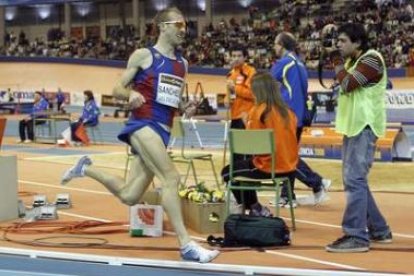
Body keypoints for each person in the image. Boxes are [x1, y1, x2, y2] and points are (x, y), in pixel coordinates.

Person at [60, 7, 219, 263]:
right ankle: (186, 245)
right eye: (178, 25)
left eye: (185, 25)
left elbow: (174, 99)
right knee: (171, 178)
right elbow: (117, 87)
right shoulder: (144, 56)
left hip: (163, 130)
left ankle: (85, 168)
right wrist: (129, 94)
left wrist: (184, 107)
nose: (183, 30)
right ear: (163, 26)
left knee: (130, 196)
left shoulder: (183, 64)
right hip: (142, 125)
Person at [325, 23, 392, 253]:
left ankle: (356, 236)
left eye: (343, 41)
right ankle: (379, 230)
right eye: (338, 40)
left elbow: (348, 83)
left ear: (358, 43)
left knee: (354, 180)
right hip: (354, 127)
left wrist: (335, 61)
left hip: (364, 126)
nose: (338, 45)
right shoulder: (352, 62)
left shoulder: (372, 59)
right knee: (356, 180)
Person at [221, 72, 298, 216]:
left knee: (227, 172)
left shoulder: (259, 111)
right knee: (242, 169)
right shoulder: (288, 112)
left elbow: (250, 147)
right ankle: (255, 207)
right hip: (290, 168)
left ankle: (256, 208)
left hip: (268, 167)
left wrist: (245, 125)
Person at [270, 32, 331, 207]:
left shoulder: (284, 63)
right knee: (288, 155)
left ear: (282, 45)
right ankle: (287, 196)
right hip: (298, 116)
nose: (274, 47)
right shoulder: (299, 63)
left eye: (275, 43)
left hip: (287, 118)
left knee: (285, 157)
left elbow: (266, 84)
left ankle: (316, 182)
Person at [226, 46, 256, 162]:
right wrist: (226, 99)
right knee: (236, 153)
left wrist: (236, 88)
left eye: (239, 56)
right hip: (234, 117)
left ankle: (249, 177)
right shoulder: (230, 74)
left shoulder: (250, 72)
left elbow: (253, 93)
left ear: (245, 57)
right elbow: (230, 95)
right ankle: (235, 178)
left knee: (248, 152)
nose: (236, 59)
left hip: (246, 117)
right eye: (234, 56)